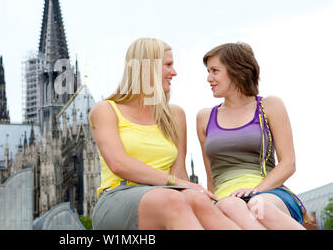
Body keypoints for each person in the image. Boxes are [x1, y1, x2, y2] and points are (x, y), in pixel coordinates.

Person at [89, 38, 241, 230]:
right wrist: (175, 183)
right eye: (168, 65)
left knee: (197, 199)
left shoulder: (175, 115)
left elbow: (179, 171)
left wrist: (194, 190)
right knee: (172, 199)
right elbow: (119, 164)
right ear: (146, 68)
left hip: (166, 194)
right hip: (119, 197)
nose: (174, 72)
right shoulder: (106, 110)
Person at [196, 42, 307, 230]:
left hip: (269, 193)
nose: (209, 78)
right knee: (231, 204)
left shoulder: (270, 106)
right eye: (208, 71)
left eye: (215, 71)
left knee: (258, 205)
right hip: (225, 201)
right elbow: (211, 178)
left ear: (236, 70)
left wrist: (256, 190)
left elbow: (288, 163)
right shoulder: (204, 118)